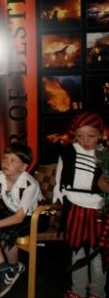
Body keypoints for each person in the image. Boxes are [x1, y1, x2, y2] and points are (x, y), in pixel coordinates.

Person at [0, 142, 41, 297]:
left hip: (31, 217)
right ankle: (5, 270)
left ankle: (14, 266)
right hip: (10, 213)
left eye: (13, 160)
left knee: (5, 236)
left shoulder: (29, 184)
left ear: (23, 167)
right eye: (5, 158)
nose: (7, 163)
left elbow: (20, 217)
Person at [54, 112, 106, 298]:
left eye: (91, 136)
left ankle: (97, 292)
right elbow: (59, 178)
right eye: (80, 136)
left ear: (100, 134)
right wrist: (61, 197)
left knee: (98, 255)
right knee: (77, 252)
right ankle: (77, 291)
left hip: (98, 211)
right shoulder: (68, 152)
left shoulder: (105, 155)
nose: (85, 140)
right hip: (75, 208)